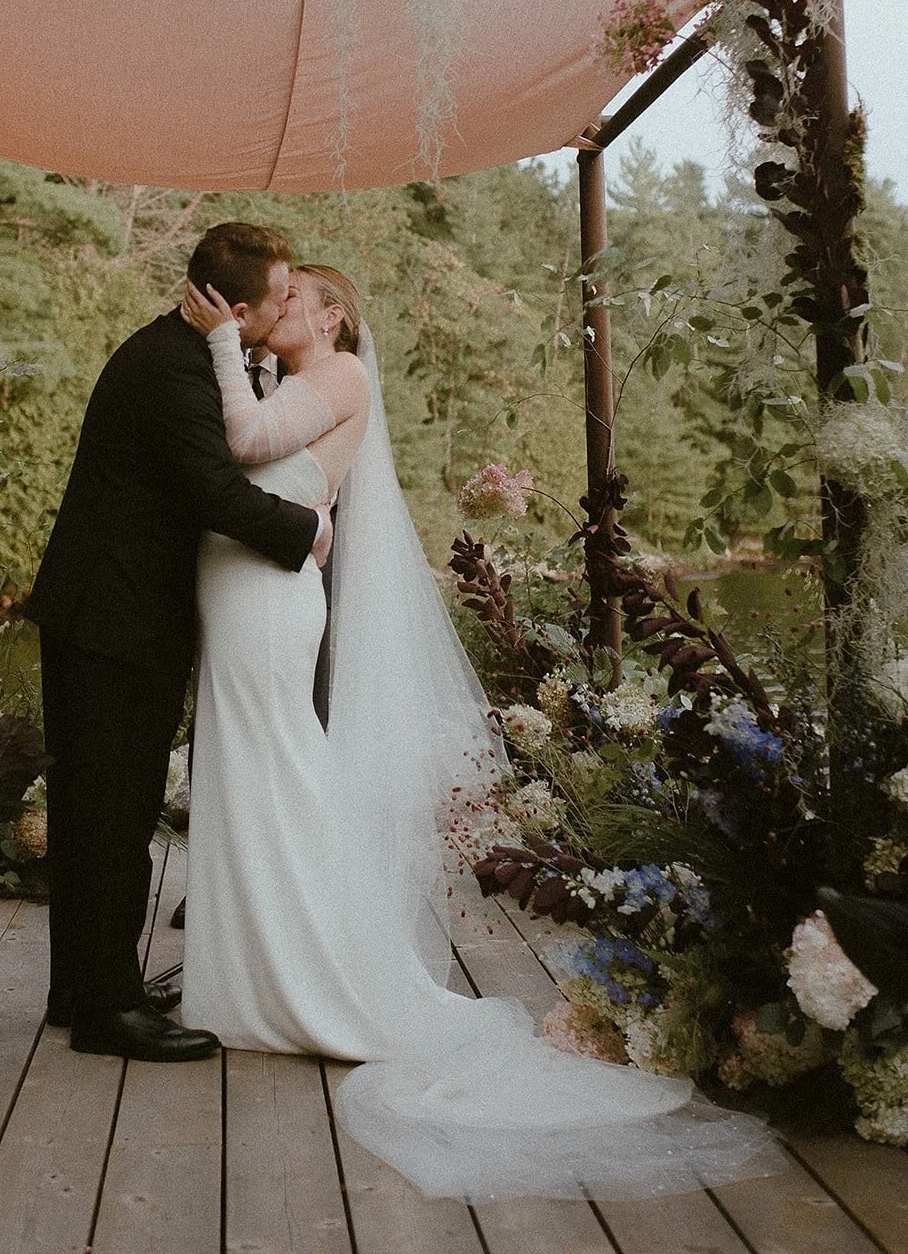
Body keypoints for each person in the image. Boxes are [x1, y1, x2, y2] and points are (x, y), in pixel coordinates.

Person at [177, 263, 784, 1200]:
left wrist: (222, 345)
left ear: (337, 314)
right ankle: (260, 972)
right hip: (245, 591)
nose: (277, 306)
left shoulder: (337, 375)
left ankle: (309, 977)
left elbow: (247, 443)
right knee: (254, 777)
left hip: (265, 601)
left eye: (295, 296)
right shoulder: (290, 379)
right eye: (276, 296)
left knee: (283, 775)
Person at [23, 223, 331, 1062]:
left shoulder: (185, 355)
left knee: (96, 812)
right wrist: (306, 530)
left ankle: (78, 989)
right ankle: (109, 1013)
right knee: (113, 815)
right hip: (113, 621)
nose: (287, 306)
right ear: (236, 310)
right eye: (277, 297)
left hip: (110, 615)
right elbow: (213, 491)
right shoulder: (170, 368)